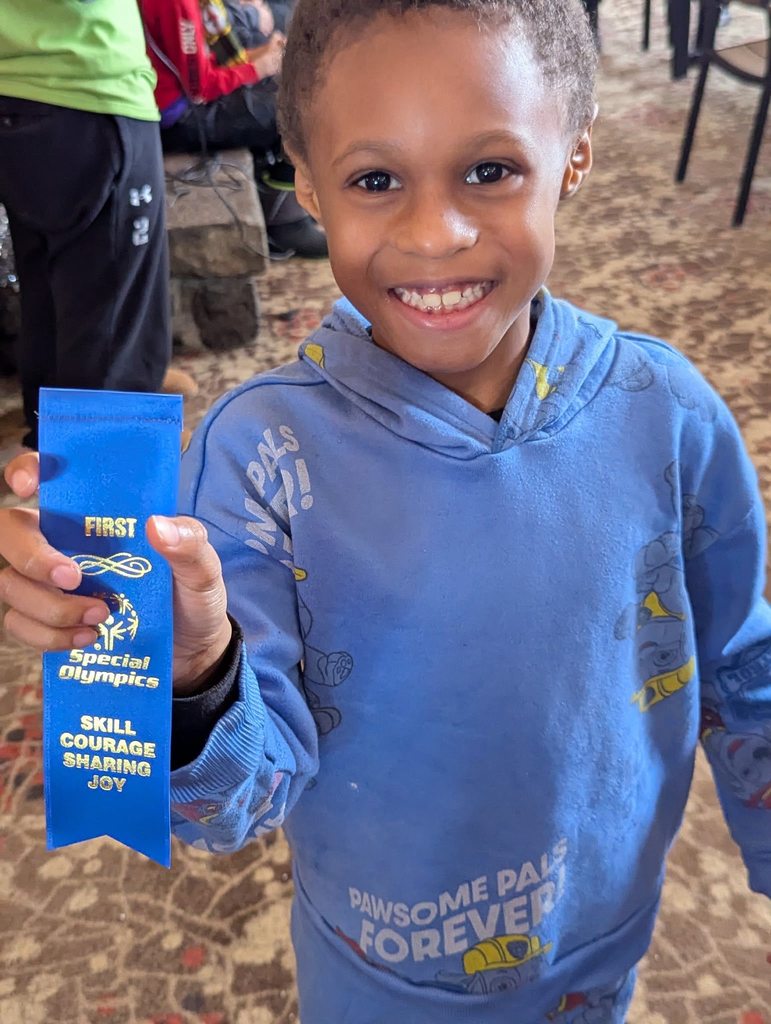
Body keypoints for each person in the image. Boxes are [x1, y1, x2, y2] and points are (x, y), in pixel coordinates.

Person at [1, 1, 769, 1022]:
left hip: (606, 940)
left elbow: (743, 666)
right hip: (378, 977)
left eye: (489, 169)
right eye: (376, 180)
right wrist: (189, 670)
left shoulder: (666, 411)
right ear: (309, 185)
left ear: (574, 157)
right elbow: (228, 805)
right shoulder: (255, 462)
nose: (434, 233)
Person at [0, 0, 174, 451]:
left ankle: (49, 448)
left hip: (14, 85)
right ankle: (104, 468)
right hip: (88, 80)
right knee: (117, 322)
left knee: (47, 296)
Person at [140, 0, 326, 258]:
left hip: (182, 101)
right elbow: (198, 89)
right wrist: (258, 67)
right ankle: (285, 225)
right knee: (295, 108)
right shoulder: (177, 4)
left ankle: (282, 199)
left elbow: (202, 61)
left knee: (296, 85)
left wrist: (258, 55)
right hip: (177, 118)